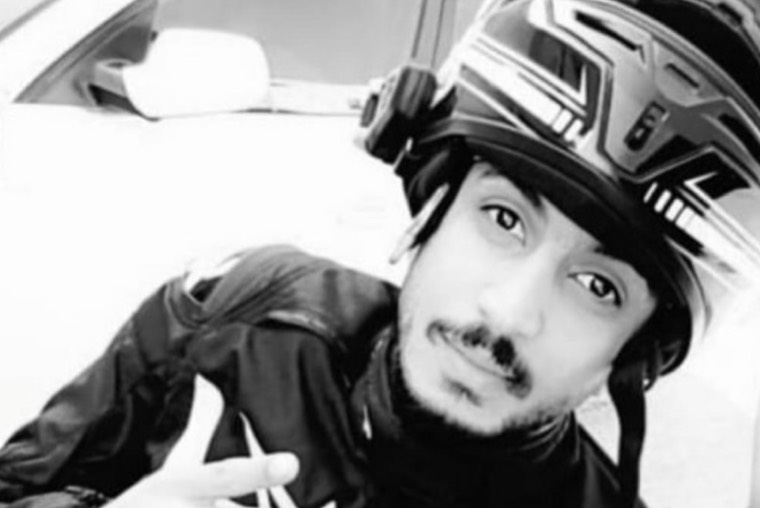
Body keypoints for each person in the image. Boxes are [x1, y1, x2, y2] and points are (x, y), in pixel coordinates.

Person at [2, 0, 760, 507]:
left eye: (597, 286)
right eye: (503, 218)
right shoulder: (242, 319)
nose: (508, 312)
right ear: (435, 201)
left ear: (636, 352)